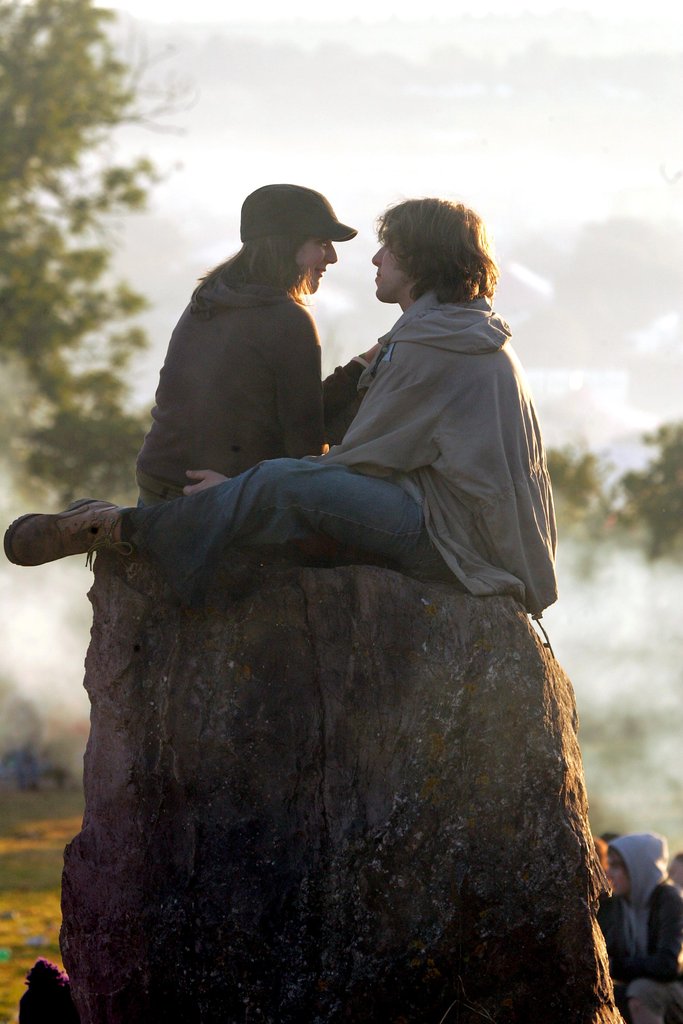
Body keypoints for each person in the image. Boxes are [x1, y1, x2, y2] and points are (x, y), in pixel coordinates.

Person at [5, 197, 558, 618]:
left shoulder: (431, 346)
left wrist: (239, 485)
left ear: (419, 260)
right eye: (324, 242)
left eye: (389, 249)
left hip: (455, 540)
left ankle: (125, 528)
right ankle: (134, 523)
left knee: (283, 484)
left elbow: (353, 463)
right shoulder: (449, 332)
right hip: (458, 523)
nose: (372, 257)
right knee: (280, 483)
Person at [135, 183, 376, 505]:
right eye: (321, 242)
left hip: (159, 477)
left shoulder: (208, 300)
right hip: (214, 494)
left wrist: (363, 363)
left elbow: (271, 409)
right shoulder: (287, 318)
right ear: (287, 244)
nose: (332, 256)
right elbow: (305, 449)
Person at [600, 832, 683, 1024]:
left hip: (674, 988)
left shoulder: (669, 900)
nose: (608, 872)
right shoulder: (620, 903)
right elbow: (612, 950)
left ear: (637, 867)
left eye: (615, 865)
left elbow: (667, 965)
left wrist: (615, 966)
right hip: (640, 983)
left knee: (641, 992)